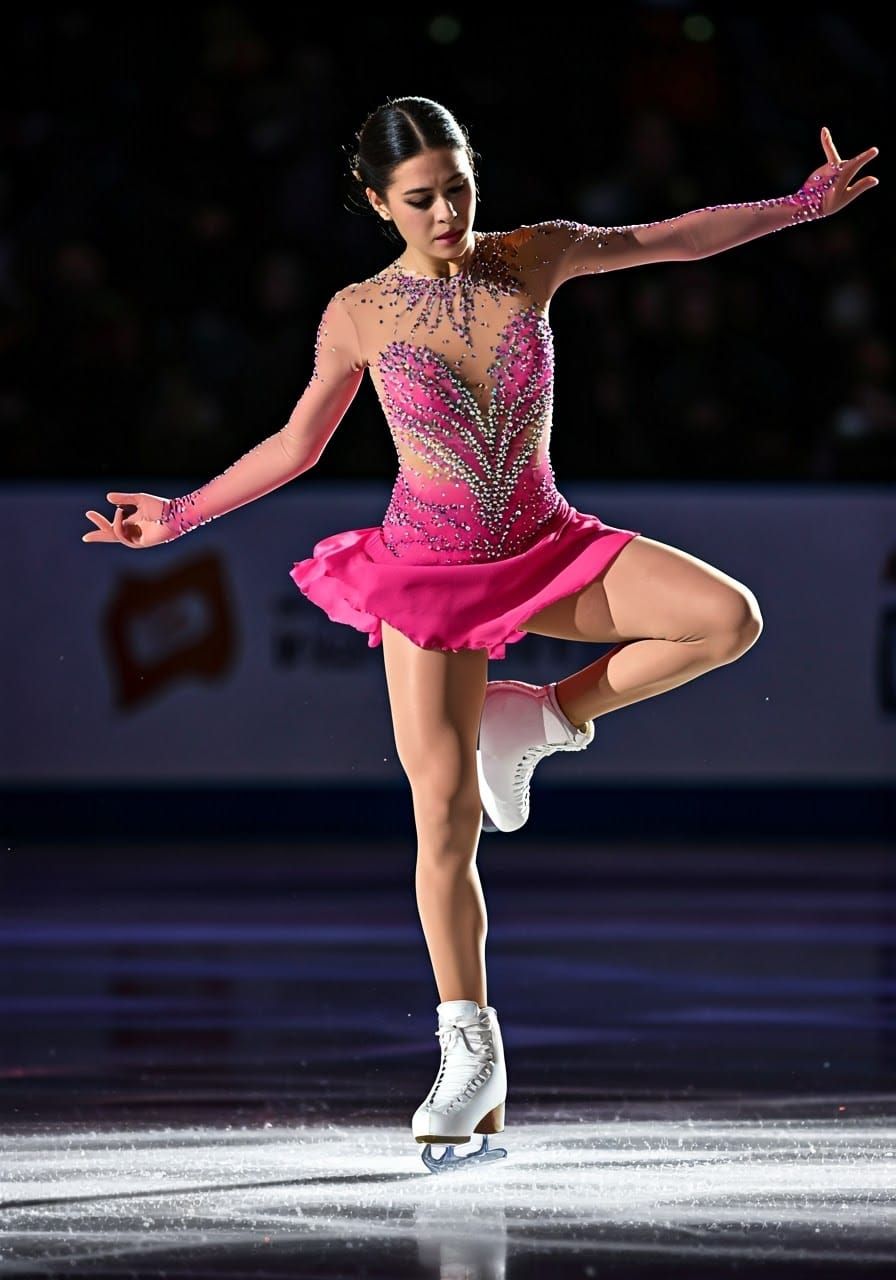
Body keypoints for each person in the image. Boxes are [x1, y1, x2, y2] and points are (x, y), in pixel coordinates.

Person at [82, 97, 878, 1172]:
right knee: (445, 812)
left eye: (458, 186)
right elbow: (297, 444)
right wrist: (177, 516)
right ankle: (470, 1053)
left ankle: (541, 716)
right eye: (420, 198)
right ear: (378, 203)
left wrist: (797, 208)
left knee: (725, 617)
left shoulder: (530, 257)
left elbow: (672, 238)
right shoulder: (358, 313)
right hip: (427, 569)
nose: (448, 211)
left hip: (547, 542)